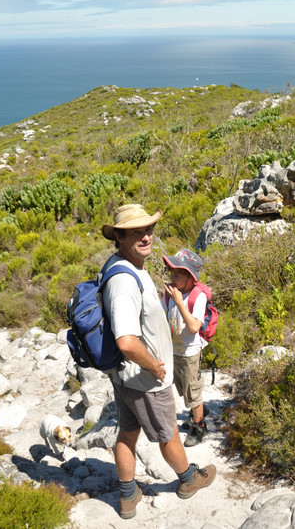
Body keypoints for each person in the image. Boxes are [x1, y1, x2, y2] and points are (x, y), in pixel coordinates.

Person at [101, 204, 215, 519]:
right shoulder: (123, 282)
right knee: (168, 435)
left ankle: (127, 495)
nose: (146, 236)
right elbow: (126, 341)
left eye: (148, 228)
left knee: (127, 431)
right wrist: (153, 365)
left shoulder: (127, 266)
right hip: (144, 378)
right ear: (120, 237)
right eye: (136, 231)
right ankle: (189, 480)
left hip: (126, 376)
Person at [162, 248, 210, 447]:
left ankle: (199, 427)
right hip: (174, 351)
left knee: (193, 392)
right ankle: (197, 411)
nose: (172, 279)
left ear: (190, 277)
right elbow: (163, 319)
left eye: (177, 275)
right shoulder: (171, 294)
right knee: (183, 390)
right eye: (171, 274)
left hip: (190, 352)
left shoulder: (196, 297)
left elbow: (193, 327)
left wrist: (179, 303)